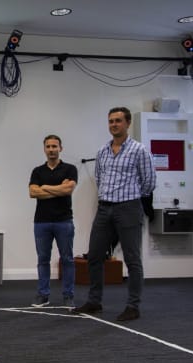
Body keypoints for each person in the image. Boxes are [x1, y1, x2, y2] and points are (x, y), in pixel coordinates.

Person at [72, 106, 156, 321]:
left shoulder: (139, 150)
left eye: (118, 121)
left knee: (132, 259)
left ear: (127, 123)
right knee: (95, 256)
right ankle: (94, 301)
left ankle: (133, 306)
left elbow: (149, 182)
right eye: (111, 121)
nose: (114, 125)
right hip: (105, 208)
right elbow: (99, 178)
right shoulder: (102, 152)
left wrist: (131, 197)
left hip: (128, 207)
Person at [29, 134, 78, 308]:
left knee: (67, 259)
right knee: (43, 259)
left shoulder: (70, 169)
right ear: (44, 149)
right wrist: (59, 189)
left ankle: (68, 295)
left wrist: (46, 187)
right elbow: (33, 193)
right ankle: (43, 295)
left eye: (54, 146)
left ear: (60, 148)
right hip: (41, 222)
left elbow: (68, 190)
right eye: (48, 147)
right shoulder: (37, 171)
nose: (51, 150)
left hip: (64, 221)